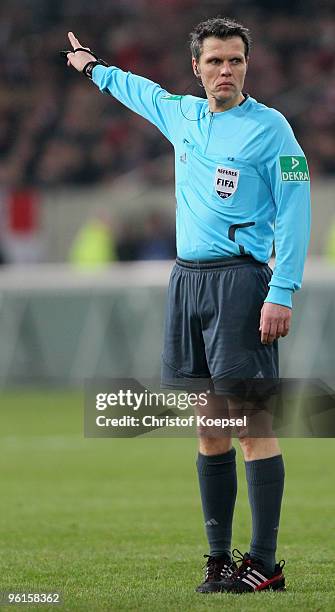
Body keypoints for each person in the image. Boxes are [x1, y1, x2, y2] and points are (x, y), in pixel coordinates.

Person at [63, 17, 310, 594]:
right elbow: (138, 91)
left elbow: (296, 210)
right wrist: (93, 68)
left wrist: (282, 290)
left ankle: (266, 563)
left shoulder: (273, 130)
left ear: (247, 67)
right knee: (209, 425)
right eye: (216, 61)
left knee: (249, 422)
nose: (226, 71)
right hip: (188, 282)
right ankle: (220, 558)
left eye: (236, 62)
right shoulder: (183, 114)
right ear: (196, 67)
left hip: (241, 283)